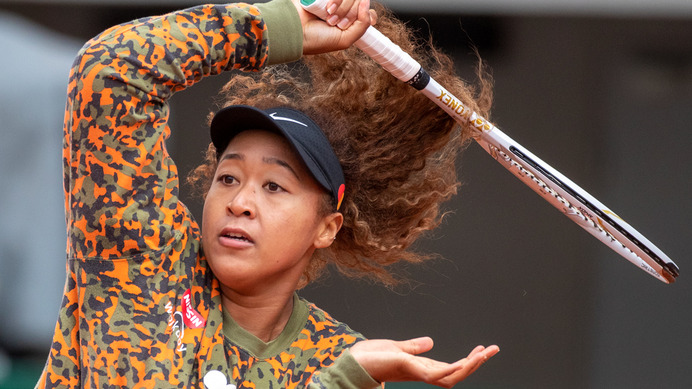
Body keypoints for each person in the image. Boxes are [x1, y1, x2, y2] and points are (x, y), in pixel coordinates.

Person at [36, 0, 499, 387]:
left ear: (326, 227)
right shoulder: (145, 258)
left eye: (273, 186)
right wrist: (279, 29)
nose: (238, 202)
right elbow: (110, 71)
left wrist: (344, 379)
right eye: (228, 178)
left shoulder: (334, 360)